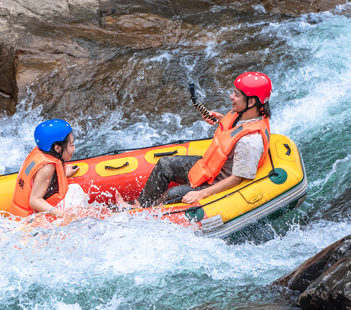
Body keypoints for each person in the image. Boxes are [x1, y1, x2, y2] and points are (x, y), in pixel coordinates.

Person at [115, 72, 272, 208]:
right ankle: (140, 204)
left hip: (218, 183)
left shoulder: (251, 141)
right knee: (165, 164)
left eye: (236, 95)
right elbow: (234, 131)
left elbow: (237, 178)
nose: (231, 96)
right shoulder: (242, 115)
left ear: (251, 102)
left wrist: (202, 194)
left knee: (173, 194)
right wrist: (221, 119)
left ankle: (145, 214)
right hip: (211, 168)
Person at [6, 119, 80, 217]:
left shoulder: (42, 152)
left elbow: (40, 182)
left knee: (75, 190)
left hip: (21, 213)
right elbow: (34, 201)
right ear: (57, 148)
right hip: (31, 221)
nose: (74, 148)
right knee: (76, 191)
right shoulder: (47, 167)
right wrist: (62, 214)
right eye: (71, 144)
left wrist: (63, 174)